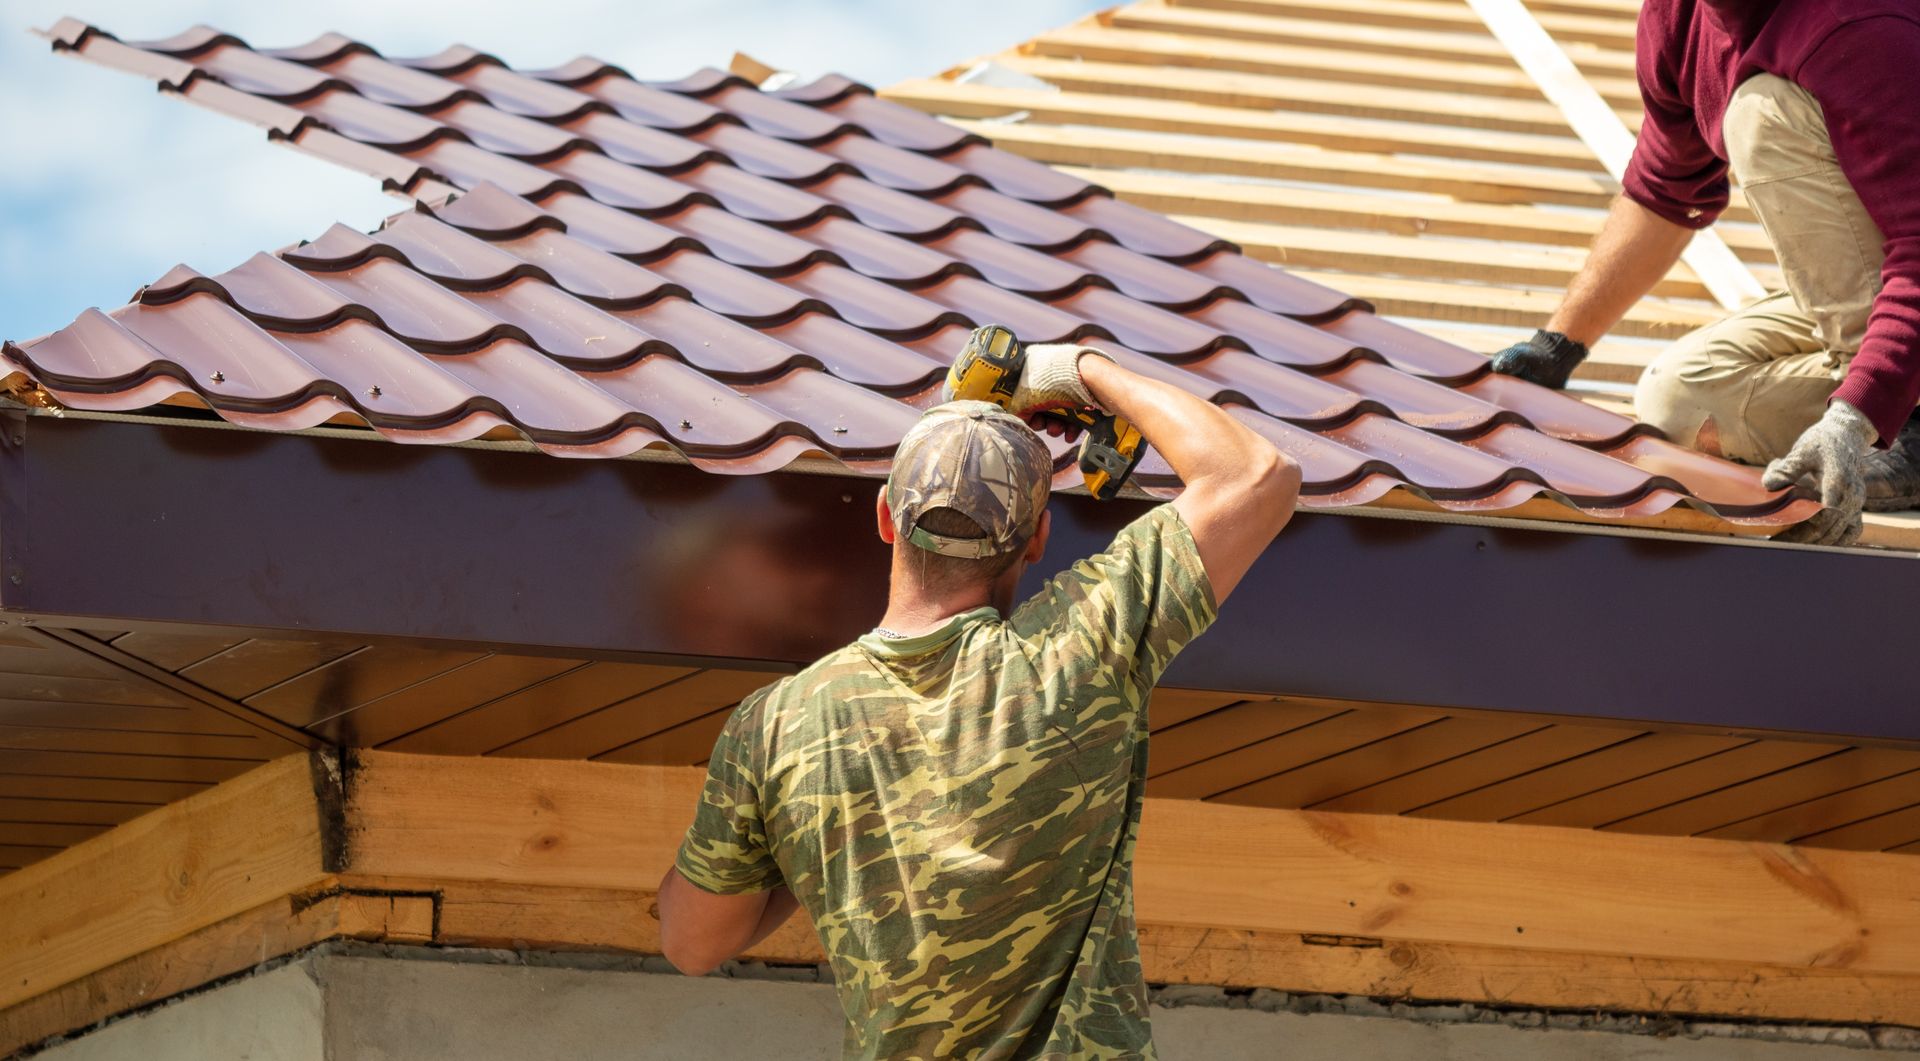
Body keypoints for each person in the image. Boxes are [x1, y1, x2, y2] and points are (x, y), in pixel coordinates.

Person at [655, 342, 1301, 1058]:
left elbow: (691, 941)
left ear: (886, 519)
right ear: (1036, 540)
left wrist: (815, 835)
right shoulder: (1080, 649)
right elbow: (1255, 474)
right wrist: (1079, 371)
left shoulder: (776, 728)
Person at [1489, 0, 1920, 545]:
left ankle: (1900, 419)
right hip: (1895, 284)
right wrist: (1556, 347)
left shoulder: (1857, 23)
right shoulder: (1680, 14)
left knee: (1762, 110)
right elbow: (1668, 186)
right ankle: (1894, 405)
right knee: (1679, 399)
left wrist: (1856, 421)